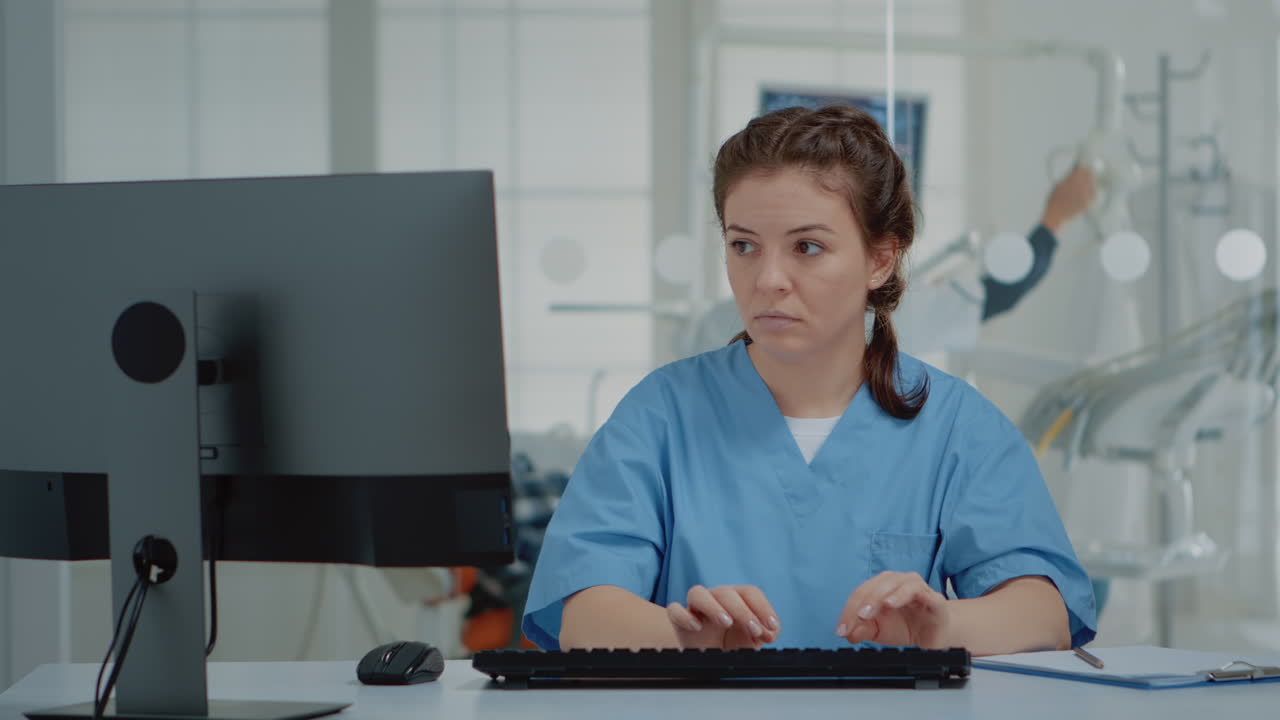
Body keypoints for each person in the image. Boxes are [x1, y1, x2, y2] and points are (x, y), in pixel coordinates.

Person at [521, 105, 1097, 655]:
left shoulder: (955, 426)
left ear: (880, 259)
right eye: (743, 245)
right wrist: (687, 640)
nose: (768, 278)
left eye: (808, 247)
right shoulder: (660, 416)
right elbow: (581, 610)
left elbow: (1044, 608)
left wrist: (942, 624)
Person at [686, 164, 1097, 356]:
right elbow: (1005, 292)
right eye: (745, 245)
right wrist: (1055, 217)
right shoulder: (890, 319)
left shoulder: (717, 328)